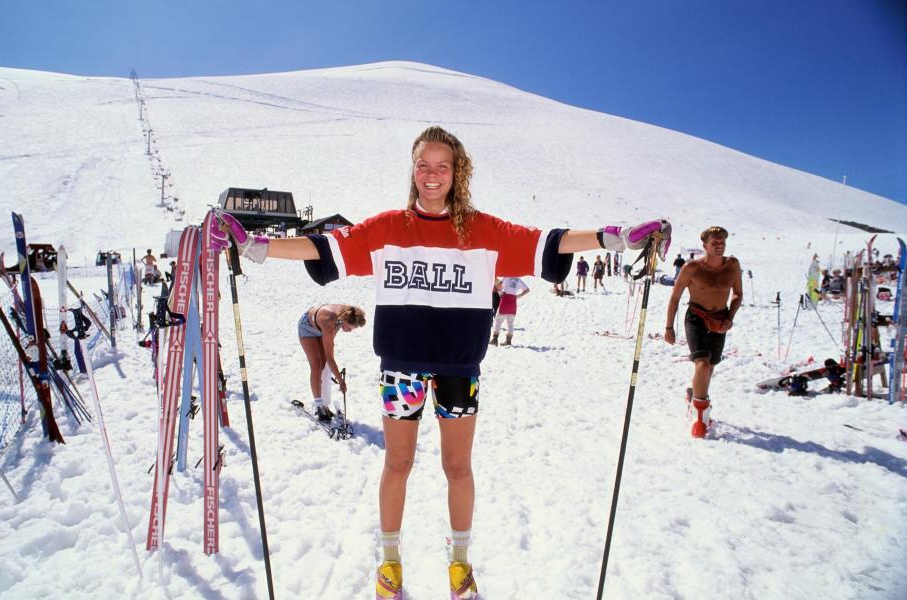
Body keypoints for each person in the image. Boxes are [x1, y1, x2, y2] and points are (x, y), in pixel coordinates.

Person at [210, 126, 671, 599]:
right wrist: (253, 246)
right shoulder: (388, 227)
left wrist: (614, 237)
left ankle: (460, 563)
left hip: (458, 369)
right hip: (401, 367)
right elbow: (322, 248)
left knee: (457, 467)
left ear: (456, 173)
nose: (432, 175)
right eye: (423, 165)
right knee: (398, 463)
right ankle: (390, 563)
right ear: (413, 171)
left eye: (442, 166)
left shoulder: (483, 230)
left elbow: (547, 243)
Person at [664, 226, 742, 439]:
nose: (719, 246)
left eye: (722, 242)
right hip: (696, 317)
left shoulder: (732, 266)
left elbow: (737, 294)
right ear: (705, 245)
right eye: (714, 242)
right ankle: (700, 416)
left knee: (710, 368)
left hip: (720, 319)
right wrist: (669, 328)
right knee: (702, 364)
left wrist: (730, 318)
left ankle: (695, 396)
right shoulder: (692, 268)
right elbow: (675, 298)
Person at [298, 304, 366, 421]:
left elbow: (328, 359)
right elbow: (331, 358)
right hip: (307, 327)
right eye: (349, 328)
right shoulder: (329, 323)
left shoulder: (348, 313)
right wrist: (341, 381)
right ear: (343, 321)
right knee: (317, 366)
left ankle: (323, 401)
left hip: (321, 327)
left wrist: (340, 380)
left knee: (324, 365)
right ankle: (319, 404)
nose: (350, 331)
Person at [489, 277, 529, 346]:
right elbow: (527, 290)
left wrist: (500, 292)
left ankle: (495, 339)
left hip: (505, 299)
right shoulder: (518, 280)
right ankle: (508, 341)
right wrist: (519, 295)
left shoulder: (505, 277)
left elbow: (499, 285)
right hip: (513, 300)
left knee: (498, 321)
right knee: (510, 323)